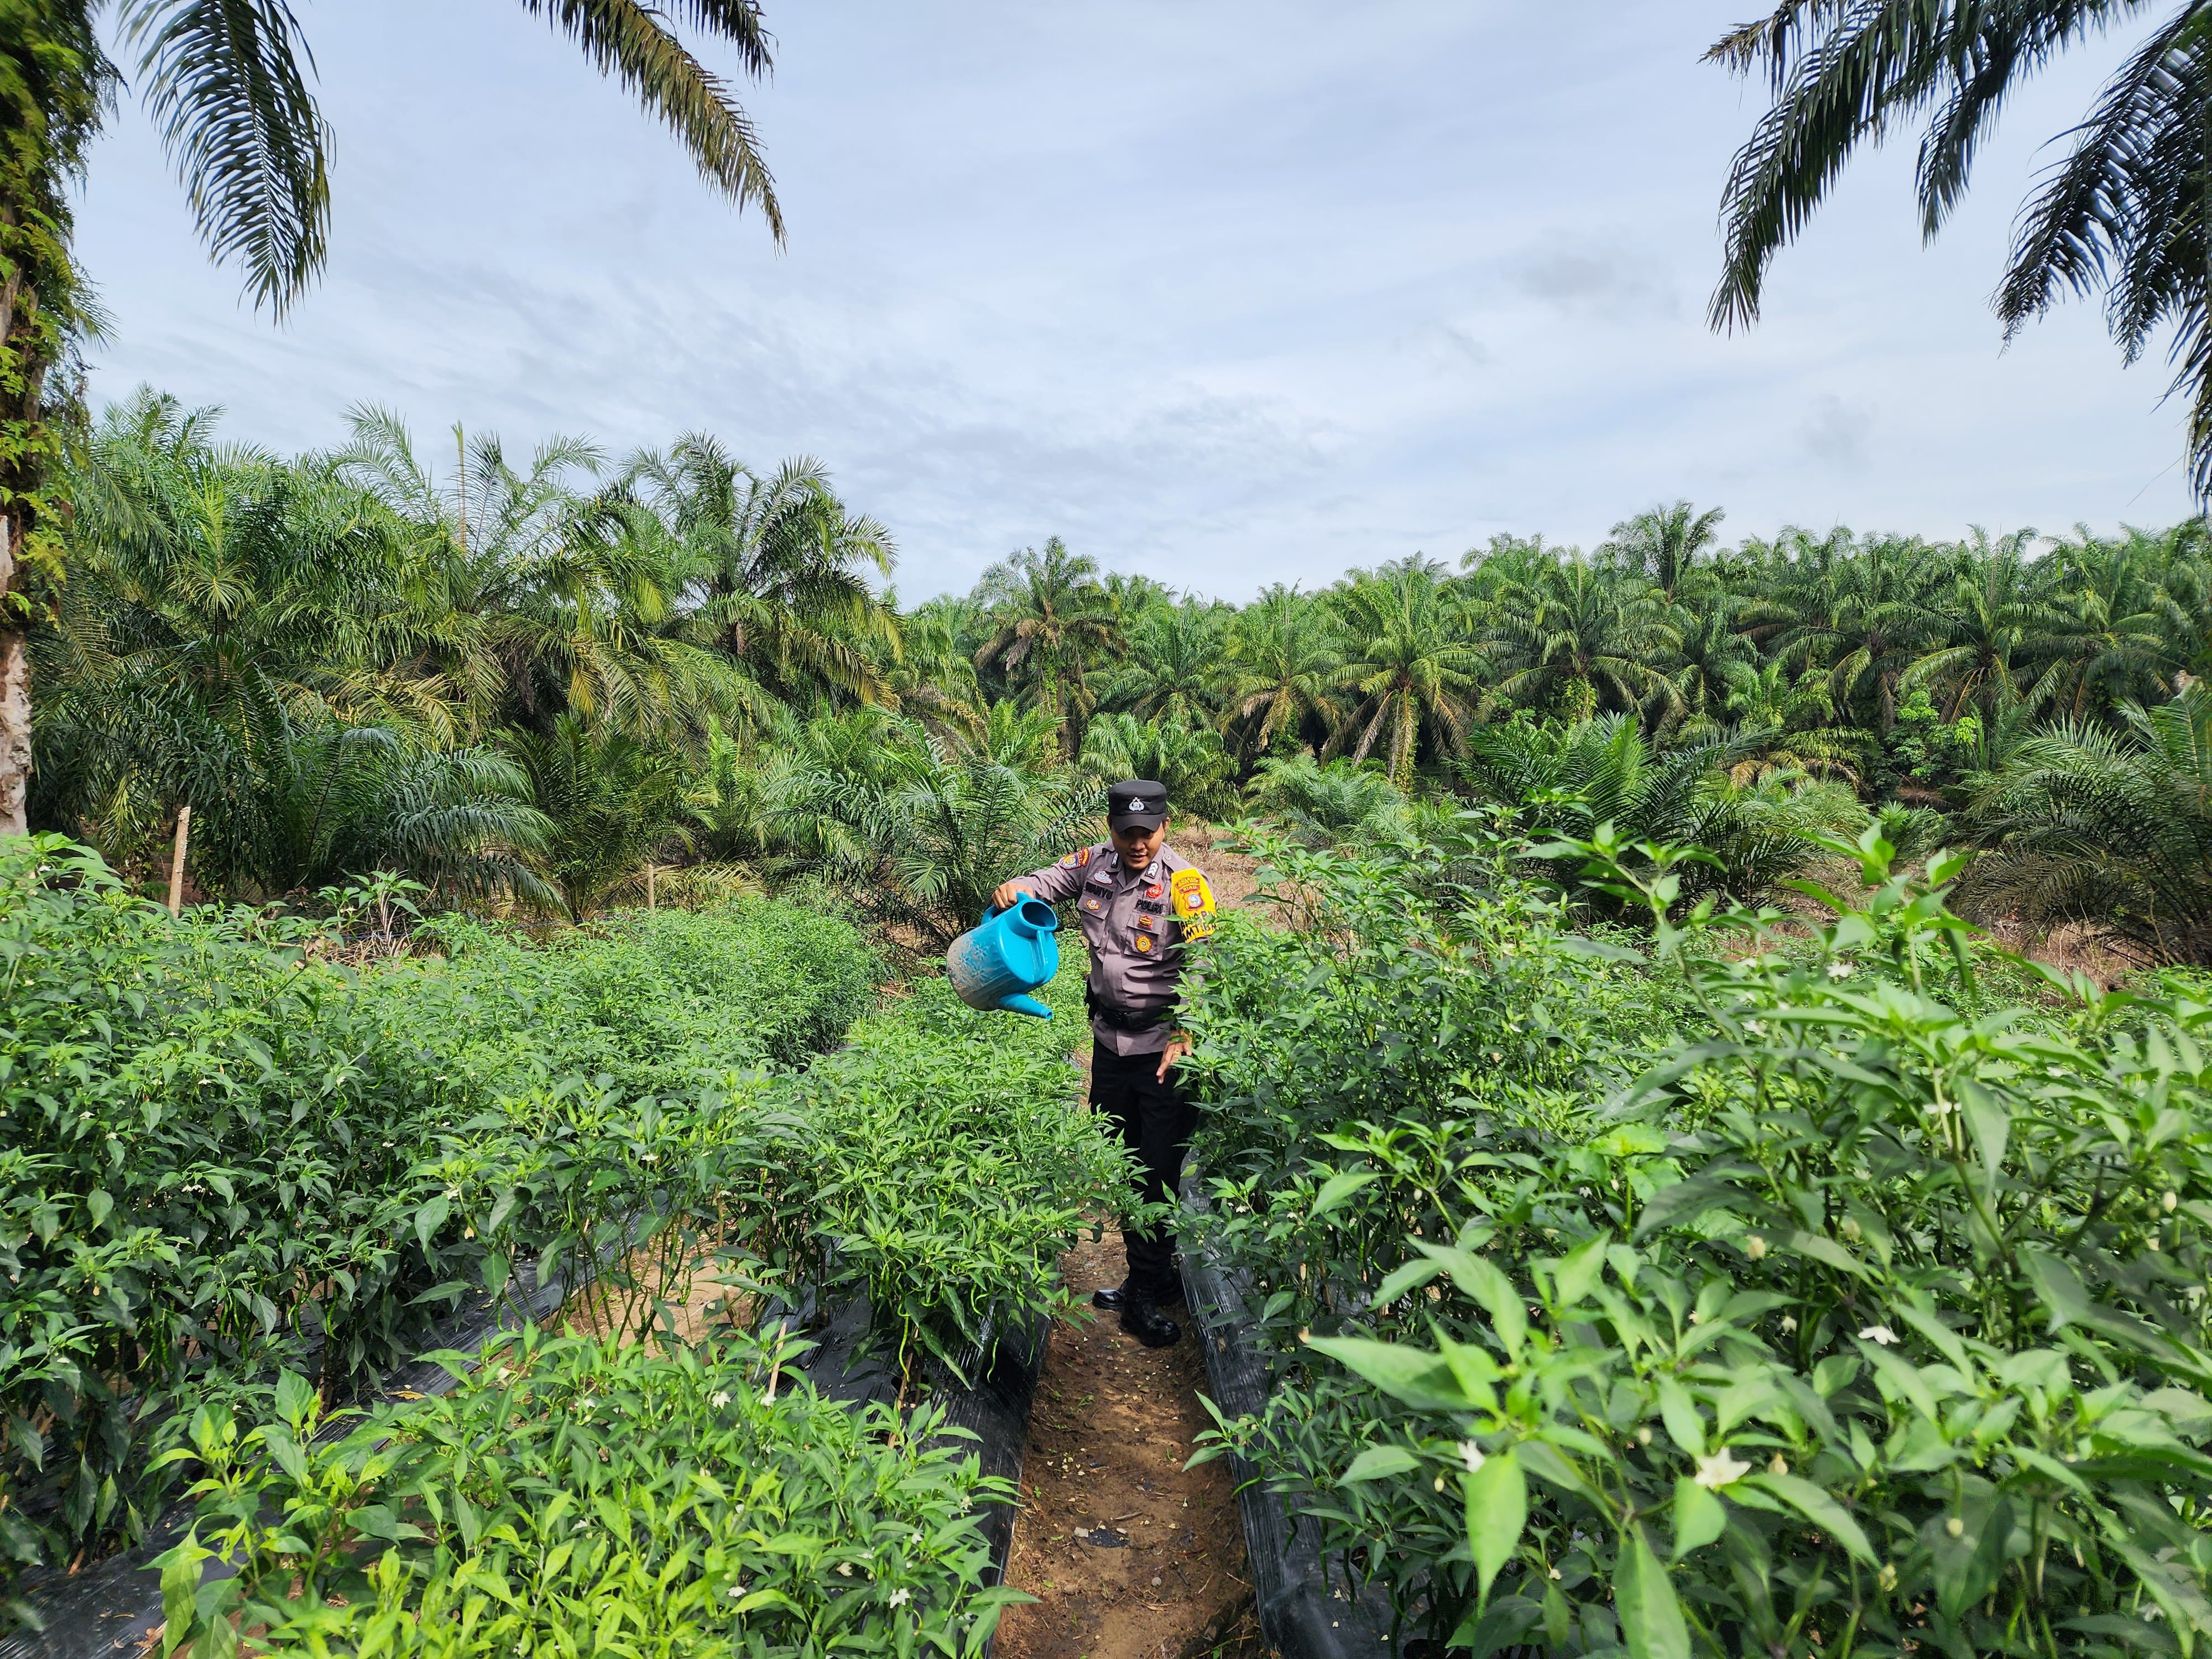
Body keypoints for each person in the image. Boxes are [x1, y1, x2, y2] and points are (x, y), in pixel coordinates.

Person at [993, 778, 1217, 1349]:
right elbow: (1048, 880)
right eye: (1126, 833)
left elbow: (1205, 963)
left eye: (1147, 833)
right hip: (1110, 1046)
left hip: (1165, 1053)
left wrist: (1187, 1030)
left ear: (1165, 827)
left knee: (1157, 1170)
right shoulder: (1094, 864)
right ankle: (1153, 1276)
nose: (1137, 844)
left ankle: (1143, 1292)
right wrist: (1019, 887)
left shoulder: (1186, 884)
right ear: (1111, 830)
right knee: (1121, 1159)